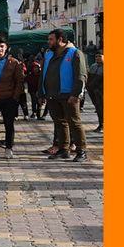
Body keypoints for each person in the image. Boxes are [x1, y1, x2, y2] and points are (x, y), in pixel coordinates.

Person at [40, 29, 88, 161]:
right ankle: (63, 149)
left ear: (60, 39)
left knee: (74, 123)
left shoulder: (75, 53)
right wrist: (41, 93)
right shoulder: (49, 54)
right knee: (59, 123)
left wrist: (75, 94)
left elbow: (81, 76)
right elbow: (43, 74)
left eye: (51, 39)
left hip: (69, 95)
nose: (48, 42)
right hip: (52, 95)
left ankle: (81, 151)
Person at [87, 51, 103, 132]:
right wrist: (89, 87)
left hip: (102, 91)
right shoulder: (93, 66)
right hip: (94, 91)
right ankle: (101, 124)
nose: (98, 58)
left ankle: (102, 125)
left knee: (101, 108)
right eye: (96, 56)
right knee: (98, 108)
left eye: (100, 56)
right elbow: (89, 78)